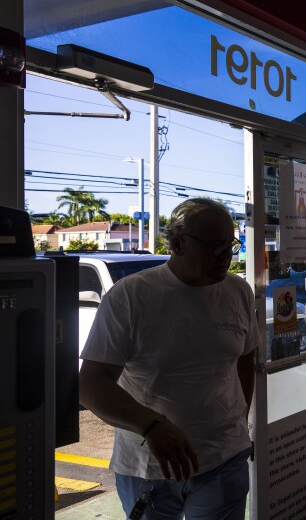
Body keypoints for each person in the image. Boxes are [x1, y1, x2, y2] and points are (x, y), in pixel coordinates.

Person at [79, 198, 259, 519]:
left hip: (224, 457)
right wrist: (152, 426)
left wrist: (237, 421)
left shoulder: (238, 291)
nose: (226, 255)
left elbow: (245, 359)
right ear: (177, 243)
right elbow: (91, 385)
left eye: (230, 244)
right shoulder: (130, 296)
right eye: (214, 246)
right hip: (150, 465)